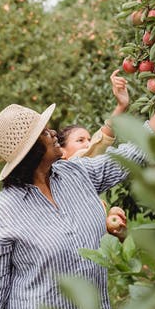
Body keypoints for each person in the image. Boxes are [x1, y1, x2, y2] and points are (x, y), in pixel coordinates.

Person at [0, 72, 155, 309]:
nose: (54, 132)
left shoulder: (77, 174)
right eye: (45, 133)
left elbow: (134, 152)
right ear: (32, 151)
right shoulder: (1, 217)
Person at [57, 69, 130, 239]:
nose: (88, 144)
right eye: (80, 140)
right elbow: (101, 142)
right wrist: (121, 107)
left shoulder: (89, 187)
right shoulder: (65, 172)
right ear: (62, 152)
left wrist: (113, 225)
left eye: (89, 139)